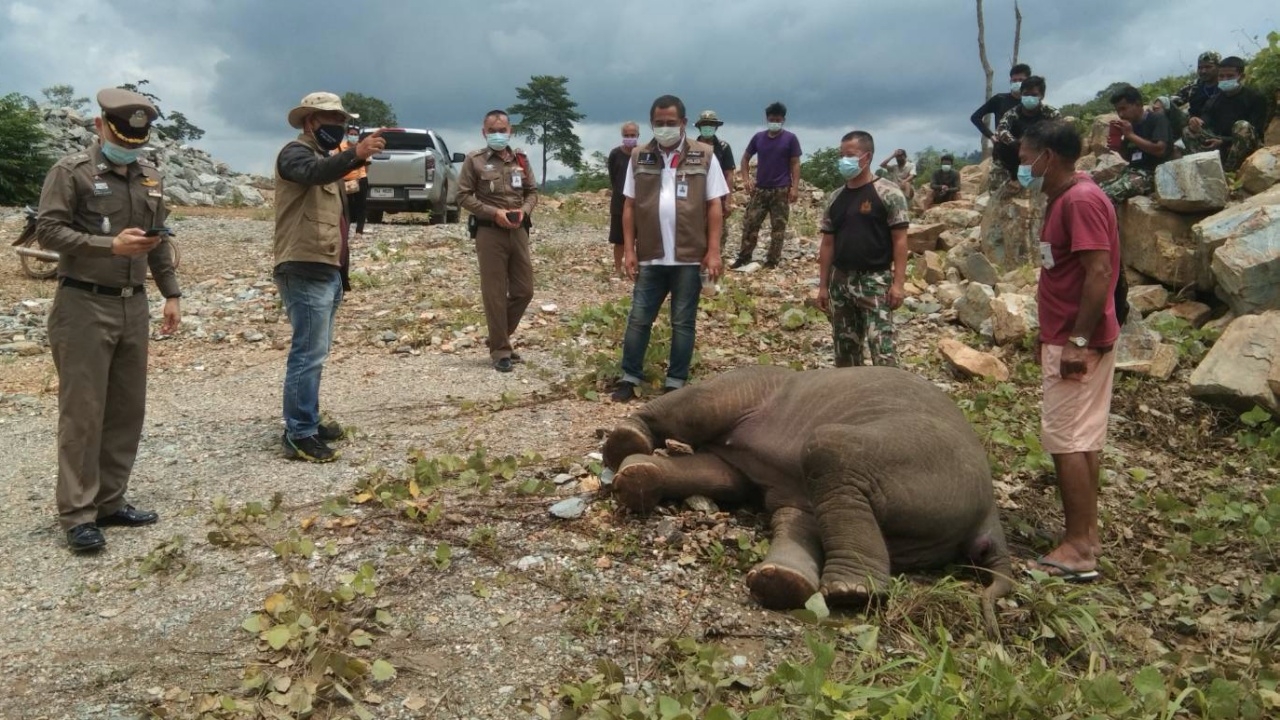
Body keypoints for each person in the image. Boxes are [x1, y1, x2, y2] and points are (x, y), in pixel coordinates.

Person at [34, 88, 181, 552]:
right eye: (123, 138)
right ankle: (78, 513)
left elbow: (158, 240)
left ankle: (111, 502)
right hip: (83, 304)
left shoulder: (151, 178)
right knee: (83, 413)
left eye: (139, 142)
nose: (131, 149)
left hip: (131, 304)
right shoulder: (70, 172)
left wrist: (171, 293)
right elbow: (48, 229)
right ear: (101, 127)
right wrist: (108, 245)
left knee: (125, 409)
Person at [1018, 120, 1121, 582]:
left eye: (1025, 159)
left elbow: (1099, 272)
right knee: (1083, 437)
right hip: (1068, 335)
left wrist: (1078, 340)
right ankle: (1086, 534)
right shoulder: (1065, 198)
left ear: (1048, 157)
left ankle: (1079, 548)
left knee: (1066, 440)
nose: (1023, 167)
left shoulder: (1079, 200)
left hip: (1076, 341)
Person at [274, 92, 385, 463]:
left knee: (314, 352)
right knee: (308, 353)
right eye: (330, 120)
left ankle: (308, 417)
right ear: (310, 122)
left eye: (340, 120)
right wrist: (355, 153)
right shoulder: (295, 154)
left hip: (327, 267)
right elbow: (311, 174)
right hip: (304, 265)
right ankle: (299, 433)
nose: (337, 126)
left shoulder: (328, 160)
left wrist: (357, 163)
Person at [611, 95, 728, 402]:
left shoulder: (704, 155)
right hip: (651, 254)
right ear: (652, 124)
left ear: (683, 123)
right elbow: (629, 206)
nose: (665, 128)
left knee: (683, 321)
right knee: (638, 318)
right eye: (659, 124)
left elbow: (714, 205)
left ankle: (675, 381)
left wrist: (713, 251)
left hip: (689, 256)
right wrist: (629, 250)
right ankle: (629, 376)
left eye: (671, 123)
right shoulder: (639, 156)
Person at [815, 130, 909, 368]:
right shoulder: (835, 198)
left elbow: (900, 241)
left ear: (866, 157)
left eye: (850, 155)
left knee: (882, 348)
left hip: (875, 281)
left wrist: (898, 284)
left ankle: (890, 399)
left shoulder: (888, 193)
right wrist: (823, 286)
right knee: (845, 349)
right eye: (841, 155)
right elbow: (827, 244)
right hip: (841, 281)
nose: (844, 160)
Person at [457, 109, 539, 373]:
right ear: (484, 132)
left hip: (518, 231)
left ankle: (497, 337)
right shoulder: (475, 160)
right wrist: (495, 213)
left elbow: (532, 192)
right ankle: (501, 350)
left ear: (510, 130)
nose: (498, 134)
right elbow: (463, 196)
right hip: (489, 231)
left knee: (524, 290)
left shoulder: (521, 160)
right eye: (492, 130)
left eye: (502, 129)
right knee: (494, 292)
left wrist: (523, 212)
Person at [732, 101, 801, 269]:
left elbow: (795, 163)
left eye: (778, 119)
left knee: (778, 227)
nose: (774, 122)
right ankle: (744, 257)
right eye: (771, 119)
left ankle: (772, 260)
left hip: (781, 189)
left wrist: (795, 187)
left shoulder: (790, 139)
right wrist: (746, 179)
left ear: (783, 120)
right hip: (760, 189)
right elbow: (745, 158)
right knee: (750, 224)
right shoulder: (758, 138)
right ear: (766, 118)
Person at [1183, 56, 1269, 172]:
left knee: (1242, 126)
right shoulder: (1214, 100)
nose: (1225, 79)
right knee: (1188, 131)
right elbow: (1206, 122)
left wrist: (1224, 141)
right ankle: (1207, 170)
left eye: (1230, 76)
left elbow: (1256, 131)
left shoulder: (1256, 98)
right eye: (1221, 76)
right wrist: (1196, 123)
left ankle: (1229, 171)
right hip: (1219, 144)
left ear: (1241, 77)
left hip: (1246, 147)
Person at [1100, 85, 1173, 205]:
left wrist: (1130, 135)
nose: (1121, 114)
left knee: (1107, 195)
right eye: (1118, 111)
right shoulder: (1130, 126)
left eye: (1124, 108)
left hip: (1154, 173)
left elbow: (1160, 149)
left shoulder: (1157, 119)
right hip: (1133, 171)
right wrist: (1118, 148)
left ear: (1138, 104)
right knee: (1097, 191)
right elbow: (1130, 157)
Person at [994, 76, 1060, 190]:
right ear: (1021, 95)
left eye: (1034, 95)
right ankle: (1013, 178)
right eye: (1026, 94)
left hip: (1041, 152)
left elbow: (1059, 132)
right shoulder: (1012, 113)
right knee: (1000, 146)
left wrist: (1035, 143)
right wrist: (1016, 143)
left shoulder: (1051, 113)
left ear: (1042, 96)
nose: (1029, 98)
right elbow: (1001, 130)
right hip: (1017, 151)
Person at [971, 63, 1032, 186]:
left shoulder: (1031, 102)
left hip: (1027, 155)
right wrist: (991, 136)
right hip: (1002, 155)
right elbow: (975, 117)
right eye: (1014, 80)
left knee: (1026, 195)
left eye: (1021, 80)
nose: (1017, 83)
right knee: (997, 193)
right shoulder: (1000, 99)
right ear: (1010, 81)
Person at [693, 110, 737, 257]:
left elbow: (729, 175)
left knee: (717, 233)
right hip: (695, 199)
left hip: (718, 197)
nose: (707, 128)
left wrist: (728, 200)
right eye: (704, 125)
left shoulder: (723, 147)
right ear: (699, 127)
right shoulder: (691, 147)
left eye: (711, 125)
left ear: (716, 127)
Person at [606, 122, 641, 276]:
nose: (629, 138)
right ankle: (618, 269)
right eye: (626, 135)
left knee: (641, 238)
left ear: (638, 136)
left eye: (632, 135)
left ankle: (638, 268)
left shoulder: (643, 154)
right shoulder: (615, 154)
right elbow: (613, 177)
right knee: (619, 239)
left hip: (640, 204)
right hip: (619, 203)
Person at [339, 123, 370, 235]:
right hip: (344, 180)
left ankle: (359, 230)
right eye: (351, 134)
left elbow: (367, 166)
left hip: (360, 179)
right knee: (345, 206)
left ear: (358, 136)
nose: (353, 136)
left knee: (361, 205)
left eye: (355, 134)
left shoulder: (363, 147)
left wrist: (361, 175)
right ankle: (344, 229)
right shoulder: (340, 147)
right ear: (347, 135)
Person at [1173, 51, 1221, 118]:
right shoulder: (1194, 86)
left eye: (1208, 67)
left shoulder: (1226, 86)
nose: (1203, 71)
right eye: (1200, 68)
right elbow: (1174, 100)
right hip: (1194, 124)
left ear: (1219, 67)